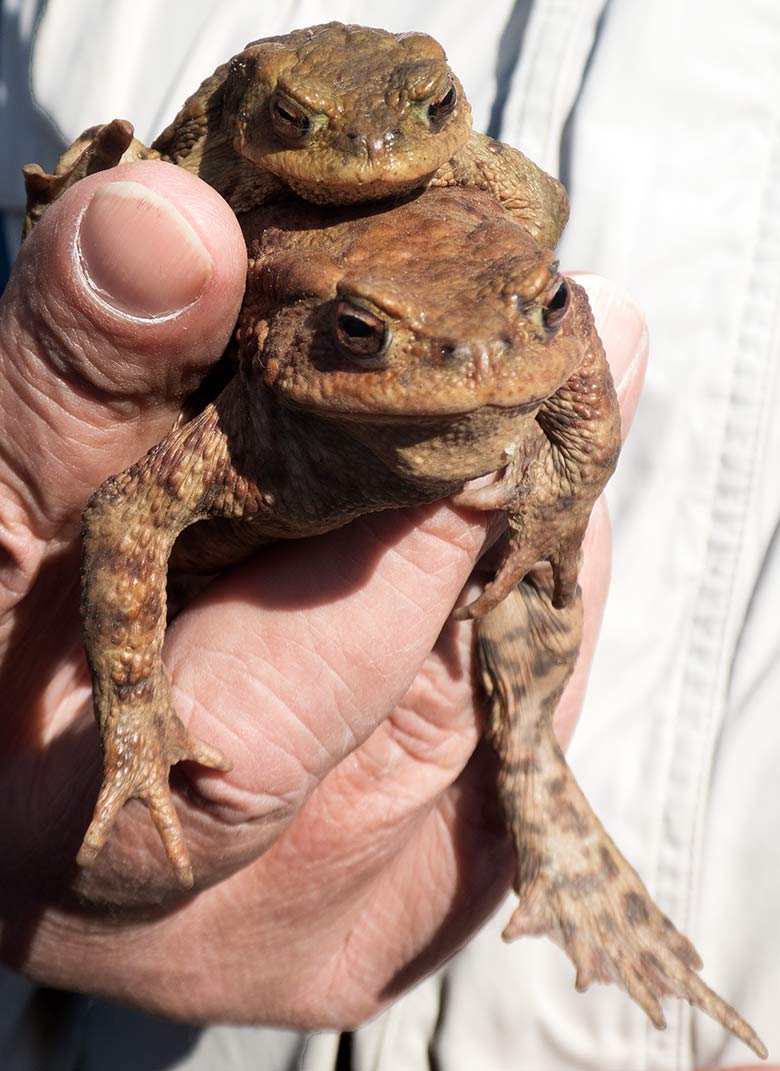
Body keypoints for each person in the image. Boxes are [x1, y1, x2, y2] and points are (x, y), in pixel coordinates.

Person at [0, 3, 776, 1071]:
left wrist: (555, 496)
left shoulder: (501, 231)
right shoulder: (223, 187)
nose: (475, 374)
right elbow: (130, 506)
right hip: (114, 1032)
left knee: (526, 613)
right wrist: (130, 730)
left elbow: (557, 296)